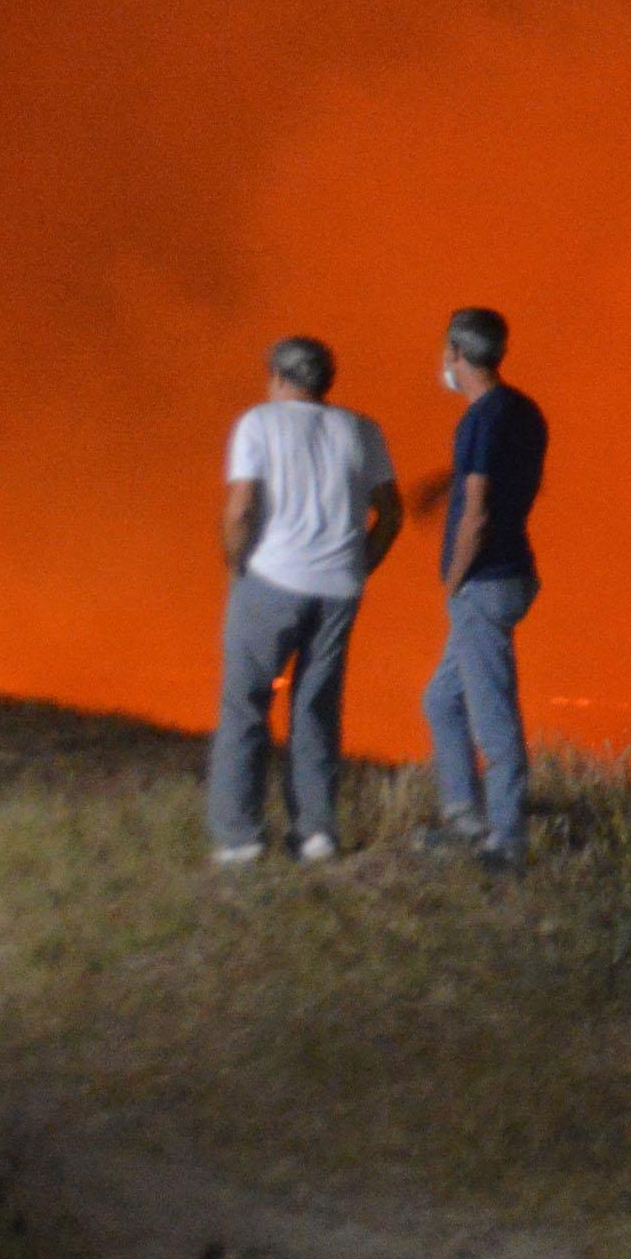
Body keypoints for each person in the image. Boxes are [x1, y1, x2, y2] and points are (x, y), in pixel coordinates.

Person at [211, 334, 400, 866]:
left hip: (270, 581)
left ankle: (240, 836)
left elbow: (240, 509)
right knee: (316, 708)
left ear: (277, 376)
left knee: (245, 706)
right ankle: (316, 833)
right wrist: (360, 565)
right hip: (338, 589)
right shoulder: (362, 429)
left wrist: (235, 566)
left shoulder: (258, 423)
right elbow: (391, 513)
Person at [418, 307, 549, 873]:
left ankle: (506, 840)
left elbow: (475, 512)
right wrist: (443, 481)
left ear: (456, 352)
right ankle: (463, 818)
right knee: (440, 700)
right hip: (514, 572)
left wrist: (453, 582)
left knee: (491, 716)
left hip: (483, 582)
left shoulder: (478, 420)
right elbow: (502, 476)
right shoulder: (522, 411)